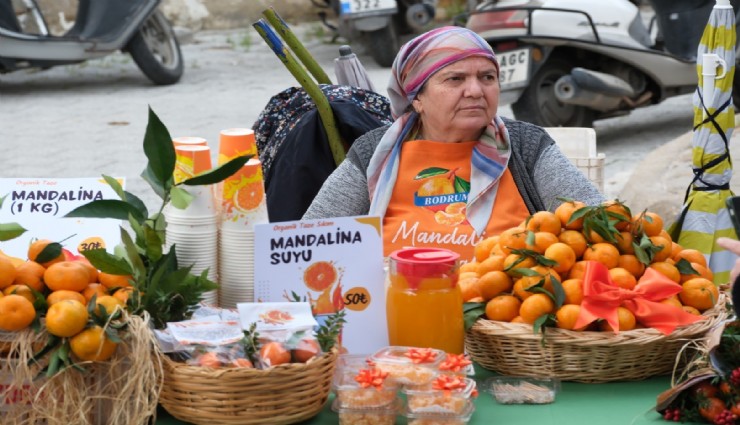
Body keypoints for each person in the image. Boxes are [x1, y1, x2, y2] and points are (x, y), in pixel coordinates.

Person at [302, 26, 604, 261]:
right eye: (455, 79)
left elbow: (601, 225)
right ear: (416, 98)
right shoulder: (374, 152)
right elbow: (311, 240)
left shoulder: (526, 146)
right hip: (398, 314)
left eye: (487, 77)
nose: (475, 90)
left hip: (509, 319)